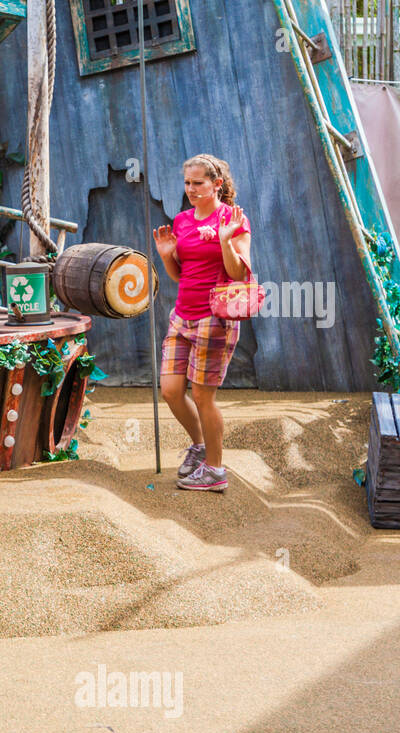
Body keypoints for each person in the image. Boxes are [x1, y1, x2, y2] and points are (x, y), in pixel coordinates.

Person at [151, 153, 252, 493]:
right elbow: (181, 275)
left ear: (217, 185)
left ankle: (215, 471)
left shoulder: (234, 218)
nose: (191, 189)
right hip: (182, 315)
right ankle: (199, 446)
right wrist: (167, 256)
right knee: (171, 391)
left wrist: (225, 239)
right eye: (187, 183)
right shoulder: (181, 222)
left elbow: (239, 272)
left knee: (203, 396)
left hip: (215, 318)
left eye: (198, 183)